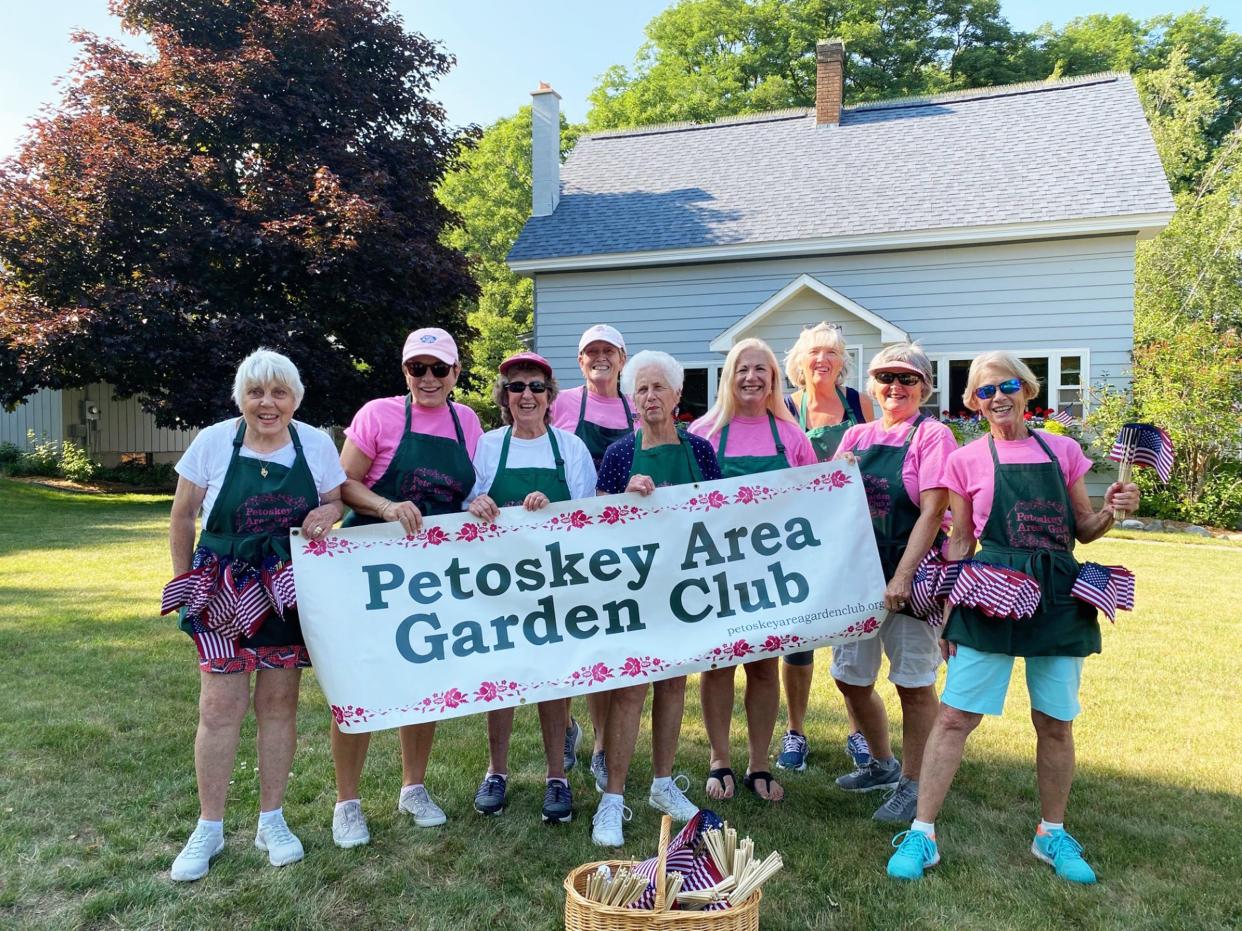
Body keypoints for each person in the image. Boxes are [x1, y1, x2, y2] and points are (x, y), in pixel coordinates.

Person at [886, 351, 1140, 884]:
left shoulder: (1065, 449)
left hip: (1058, 594)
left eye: (1006, 387)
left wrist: (1114, 511)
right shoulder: (964, 459)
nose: (997, 397)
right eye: (984, 391)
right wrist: (949, 614)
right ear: (972, 403)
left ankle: (1051, 833)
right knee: (955, 716)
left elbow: (1085, 528)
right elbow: (959, 540)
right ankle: (922, 834)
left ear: (1026, 391)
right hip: (989, 592)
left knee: (1054, 720)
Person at [165, 348, 346, 881]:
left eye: (279, 393)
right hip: (221, 587)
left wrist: (327, 511)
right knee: (219, 708)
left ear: (295, 399)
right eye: (256, 393)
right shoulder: (213, 442)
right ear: (241, 397)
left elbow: (336, 500)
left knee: (278, 704)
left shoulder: (314, 442)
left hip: (285, 588)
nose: (267, 404)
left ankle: (272, 820)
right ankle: (209, 827)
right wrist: (187, 585)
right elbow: (182, 514)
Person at [329, 328, 483, 848]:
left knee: (425, 681)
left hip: (434, 575)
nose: (429, 378)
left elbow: (469, 492)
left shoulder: (469, 423)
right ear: (405, 373)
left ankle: (413, 787)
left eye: (440, 369)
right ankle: (347, 802)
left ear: (456, 374)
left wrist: (478, 507)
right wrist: (386, 507)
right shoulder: (378, 414)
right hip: (371, 569)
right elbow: (342, 482)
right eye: (418, 368)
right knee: (361, 683)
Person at [590, 350, 722, 846]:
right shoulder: (620, 454)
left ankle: (663, 784)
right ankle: (613, 799)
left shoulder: (702, 451)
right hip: (633, 586)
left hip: (686, 585)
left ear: (676, 395)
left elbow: (722, 513)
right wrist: (625, 496)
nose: (650, 397)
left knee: (672, 684)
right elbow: (596, 523)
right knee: (629, 688)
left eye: (658, 388)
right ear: (631, 399)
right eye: (640, 389)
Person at [467, 351, 597, 823]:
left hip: (556, 581)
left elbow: (589, 517)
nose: (526, 395)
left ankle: (556, 777)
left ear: (549, 396)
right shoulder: (487, 445)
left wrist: (555, 509)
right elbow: (467, 503)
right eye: (517, 386)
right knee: (500, 679)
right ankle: (495, 772)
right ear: (504, 396)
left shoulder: (570, 448)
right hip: (497, 581)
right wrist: (477, 503)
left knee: (552, 679)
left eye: (536, 387)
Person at [829, 344, 956, 822]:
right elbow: (829, 502)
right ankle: (882, 764)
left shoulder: (933, 435)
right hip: (858, 578)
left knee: (912, 683)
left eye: (907, 379)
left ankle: (914, 781)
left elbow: (934, 509)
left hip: (914, 580)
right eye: (885, 378)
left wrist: (903, 575)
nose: (895, 388)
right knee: (850, 677)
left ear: (924, 387)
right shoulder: (856, 437)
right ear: (872, 385)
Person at [688, 337, 817, 803]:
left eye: (761, 369)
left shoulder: (792, 437)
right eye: (742, 368)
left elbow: (817, 503)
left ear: (774, 379)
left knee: (764, 668)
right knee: (718, 667)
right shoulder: (703, 433)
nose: (751, 377)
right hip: (717, 571)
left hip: (774, 575)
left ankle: (759, 764)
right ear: (728, 376)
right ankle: (719, 759)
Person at [777, 323, 875, 772]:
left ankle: (858, 732)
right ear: (799, 361)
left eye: (831, 354)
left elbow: (879, 456)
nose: (822, 360)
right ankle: (795, 731)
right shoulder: (786, 407)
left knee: (852, 638)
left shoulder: (860, 403)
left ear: (842, 362)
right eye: (814, 353)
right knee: (797, 639)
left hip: (852, 534)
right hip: (797, 539)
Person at [549, 323, 636, 787]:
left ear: (622, 358)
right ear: (579, 361)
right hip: (562, 542)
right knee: (562, 645)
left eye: (608, 351)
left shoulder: (635, 409)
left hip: (618, 546)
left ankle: (603, 745)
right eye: (590, 352)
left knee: (605, 647)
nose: (599, 358)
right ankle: (565, 731)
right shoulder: (560, 405)